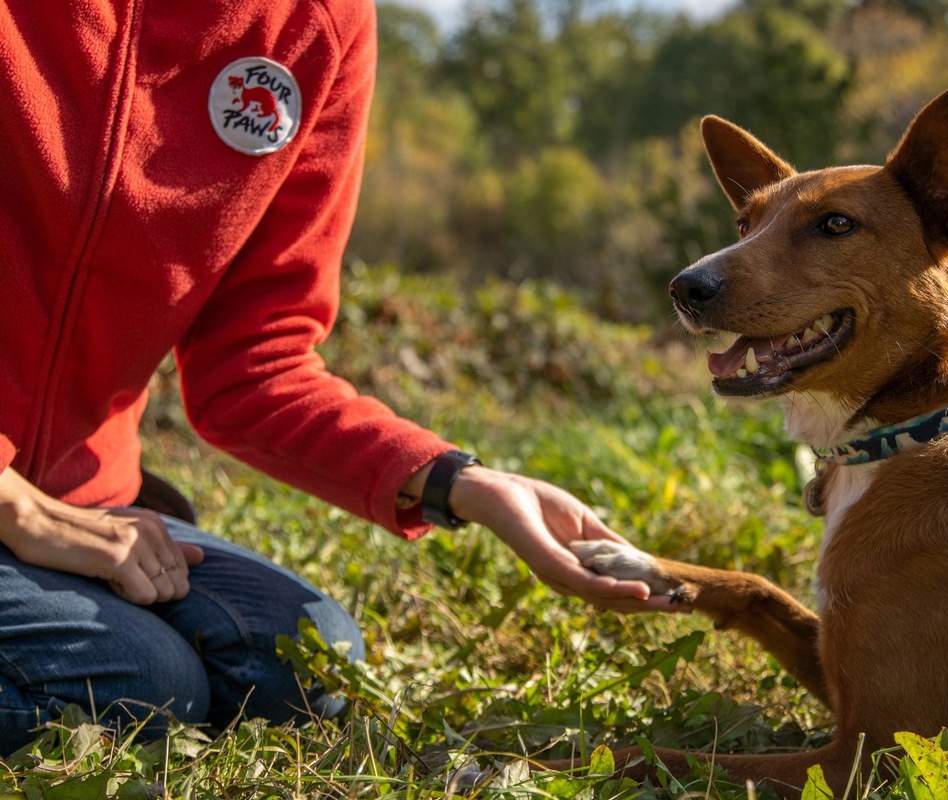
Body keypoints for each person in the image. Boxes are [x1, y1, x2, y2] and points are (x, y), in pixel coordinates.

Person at [0, 0, 673, 754]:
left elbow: (257, 362)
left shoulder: (321, 23)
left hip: (88, 502)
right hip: (25, 508)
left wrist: (461, 483)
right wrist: (18, 508)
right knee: (136, 680)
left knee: (304, 661)